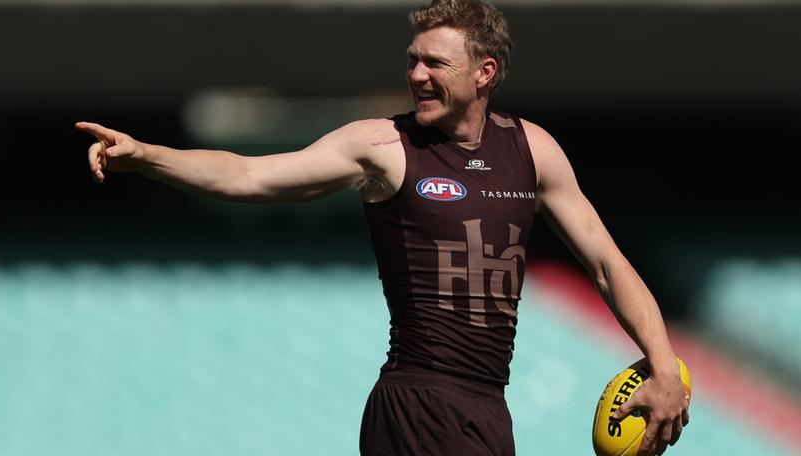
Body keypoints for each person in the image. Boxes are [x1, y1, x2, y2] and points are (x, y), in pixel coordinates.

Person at [77, 0, 689, 454]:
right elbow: (248, 175)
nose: (419, 75)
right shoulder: (382, 145)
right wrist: (148, 156)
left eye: (436, 63)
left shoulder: (534, 150)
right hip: (417, 402)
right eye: (413, 61)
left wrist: (662, 364)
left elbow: (609, 264)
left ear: (485, 72)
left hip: (488, 408)